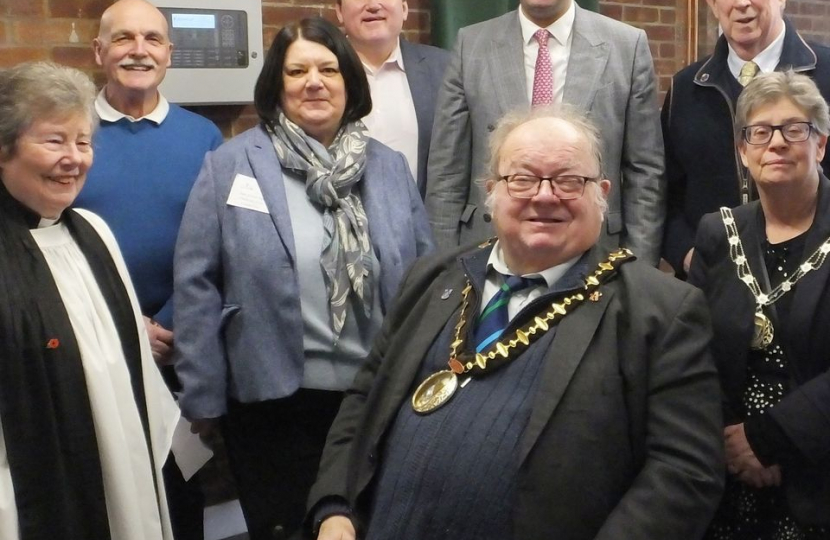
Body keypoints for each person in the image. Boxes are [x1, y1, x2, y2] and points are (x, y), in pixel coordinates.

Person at [307, 106, 724, 540]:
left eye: (568, 180)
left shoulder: (659, 311)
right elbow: (364, 399)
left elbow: (685, 472)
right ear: (492, 192)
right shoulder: (430, 280)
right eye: (522, 179)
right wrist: (334, 505)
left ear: (601, 193)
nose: (544, 196)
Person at [173, 16, 434, 540]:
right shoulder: (229, 165)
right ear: (277, 84)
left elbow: (424, 275)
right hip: (271, 400)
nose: (314, 81)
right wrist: (201, 393)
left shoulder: (388, 167)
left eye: (328, 69)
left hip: (374, 396)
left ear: (349, 84)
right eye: (297, 71)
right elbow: (196, 282)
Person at [0, 61, 178, 540]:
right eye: (55, 140)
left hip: (120, 462)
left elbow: (134, 370)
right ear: (4, 149)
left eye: (83, 142)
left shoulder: (94, 235)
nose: (74, 159)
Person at [73, 1, 224, 537]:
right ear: (99, 51)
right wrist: (125, 326)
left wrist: (168, 323)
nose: (139, 51)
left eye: (152, 40)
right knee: (99, 493)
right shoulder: (72, 135)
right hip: (89, 345)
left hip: (175, 351)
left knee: (178, 492)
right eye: (123, 39)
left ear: (169, 53)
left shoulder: (204, 138)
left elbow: (219, 244)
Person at [689, 71, 830, 539]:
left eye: (794, 129)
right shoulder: (717, 232)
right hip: (727, 466)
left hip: (817, 465)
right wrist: (732, 439)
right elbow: (692, 351)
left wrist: (771, 440)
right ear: (743, 150)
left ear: (821, 145)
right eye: (760, 131)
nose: (777, 142)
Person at [425, 0, 664, 266]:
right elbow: (447, 171)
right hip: (487, 249)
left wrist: (638, 272)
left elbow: (645, 173)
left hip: (597, 254)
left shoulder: (626, 46)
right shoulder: (471, 45)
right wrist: (444, 269)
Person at [662, 0, 830, 277]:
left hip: (817, 278)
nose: (741, 3)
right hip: (711, 284)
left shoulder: (826, 73)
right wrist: (690, 254)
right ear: (713, 5)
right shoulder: (684, 89)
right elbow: (665, 195)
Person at [335, 0, 448, 197]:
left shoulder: (444, 69)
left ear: (404, 8)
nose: (373, 5)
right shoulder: (318, 73)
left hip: (420, 223)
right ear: (339, 11)